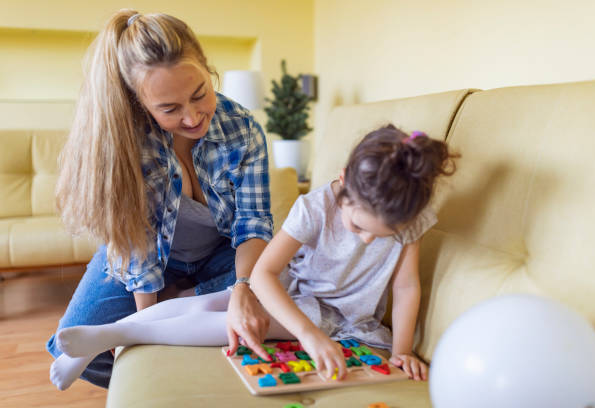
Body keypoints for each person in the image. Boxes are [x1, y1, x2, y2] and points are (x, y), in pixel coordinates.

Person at [50, 124, 457, 389]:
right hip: (292, 292)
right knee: (209, 304)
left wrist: (402, 349)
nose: (369, 241)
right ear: (343, 181)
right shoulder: (315, 208)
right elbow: (264, 273)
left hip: (338, 315)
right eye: (359, 228)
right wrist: (307, 335)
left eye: (382, 235)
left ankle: (114, 334)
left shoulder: (410, 218)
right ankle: (108, 334)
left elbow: (405, 286)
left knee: (228, 322)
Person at [47, 9, 273, 389]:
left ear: (205, 66)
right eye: (169, 109)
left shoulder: (243, 128)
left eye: (200, 93)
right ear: (141, 104)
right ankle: (179, 318)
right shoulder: (129, 146)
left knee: (278, 289)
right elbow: (140, 251)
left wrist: (244, 287)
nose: (193, 116)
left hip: (220, 257)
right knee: (72, 344)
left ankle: (183, 305)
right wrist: (145, 326)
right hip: (145, 263)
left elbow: (253, 225)